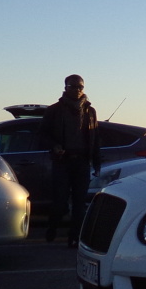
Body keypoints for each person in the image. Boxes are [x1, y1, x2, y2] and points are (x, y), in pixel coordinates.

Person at [40, 74, 101, 246]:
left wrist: (96, 163)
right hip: (62, 161)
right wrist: (55, 146)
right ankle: (52, 227)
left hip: (82, 161)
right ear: (65, 88)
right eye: (73, 87)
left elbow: (95, 138)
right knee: (59, 200)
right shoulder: (54, 110)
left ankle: (74, 237)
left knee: (79, 202)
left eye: (80, 87)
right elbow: (42, 135)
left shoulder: (90, 111)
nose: (77, 90)